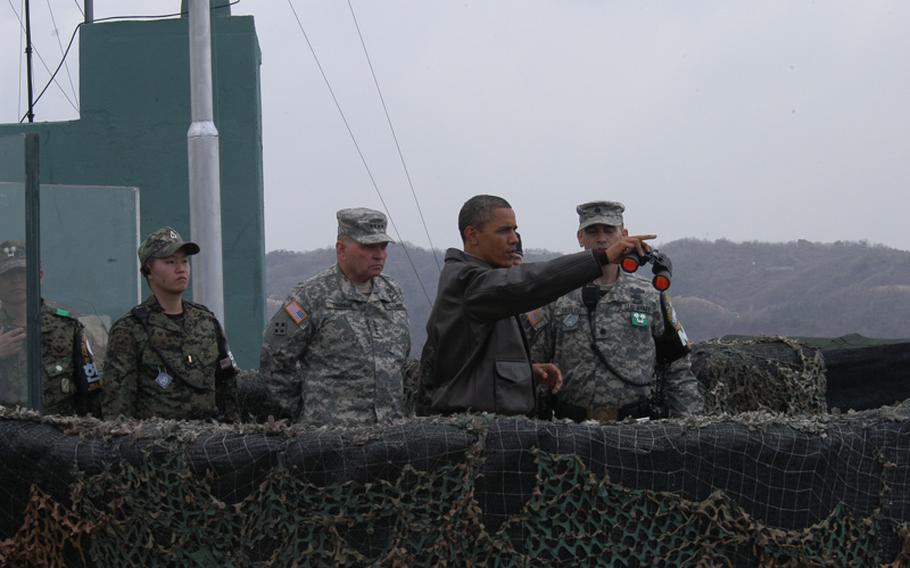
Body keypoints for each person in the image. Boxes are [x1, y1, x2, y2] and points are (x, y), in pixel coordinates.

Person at [418, 194, 655, 417]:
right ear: (472, 235)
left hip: (492, 429)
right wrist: (600, 258)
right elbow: (528, 283)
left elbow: (475, 367)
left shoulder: (486, 280)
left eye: (515, 229)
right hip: (472, 432)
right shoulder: (468, 282)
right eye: (504, 231)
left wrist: (525, 372)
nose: (514, 239)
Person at [528, 201, 704, 421]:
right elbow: (535, 365)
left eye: (609, 230)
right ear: (580, 237)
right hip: (570, 428)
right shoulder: (557, 296)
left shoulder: (649, 295)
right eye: (592, 231)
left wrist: (689, 426)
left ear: (624, 234)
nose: (601, 238)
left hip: (636, 429)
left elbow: (677, 367)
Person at [260, 208, 411, 426]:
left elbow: (400, 359)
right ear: (341, 249)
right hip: (330, 439)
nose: (379, 254)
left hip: (389, 433)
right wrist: (301, 411)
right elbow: (274, 356)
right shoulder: (310, 296)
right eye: (369, 247)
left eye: (383, 246)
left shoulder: (393, 293)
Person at [103, 227, 238, 421]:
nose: (181, 268)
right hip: (155, 445)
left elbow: (227, 385)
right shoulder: (130, 329)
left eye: (184, 261)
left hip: (208, 443)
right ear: (148, 270)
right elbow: (117, 406)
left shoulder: (206, 321)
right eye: (170, 262)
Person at [0, 240, 103, 416]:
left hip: (59, 433)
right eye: (8, 275)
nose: (16, 280)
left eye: (22, 273)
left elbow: (91, 392)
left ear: (39, 276)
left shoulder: (67, 326)